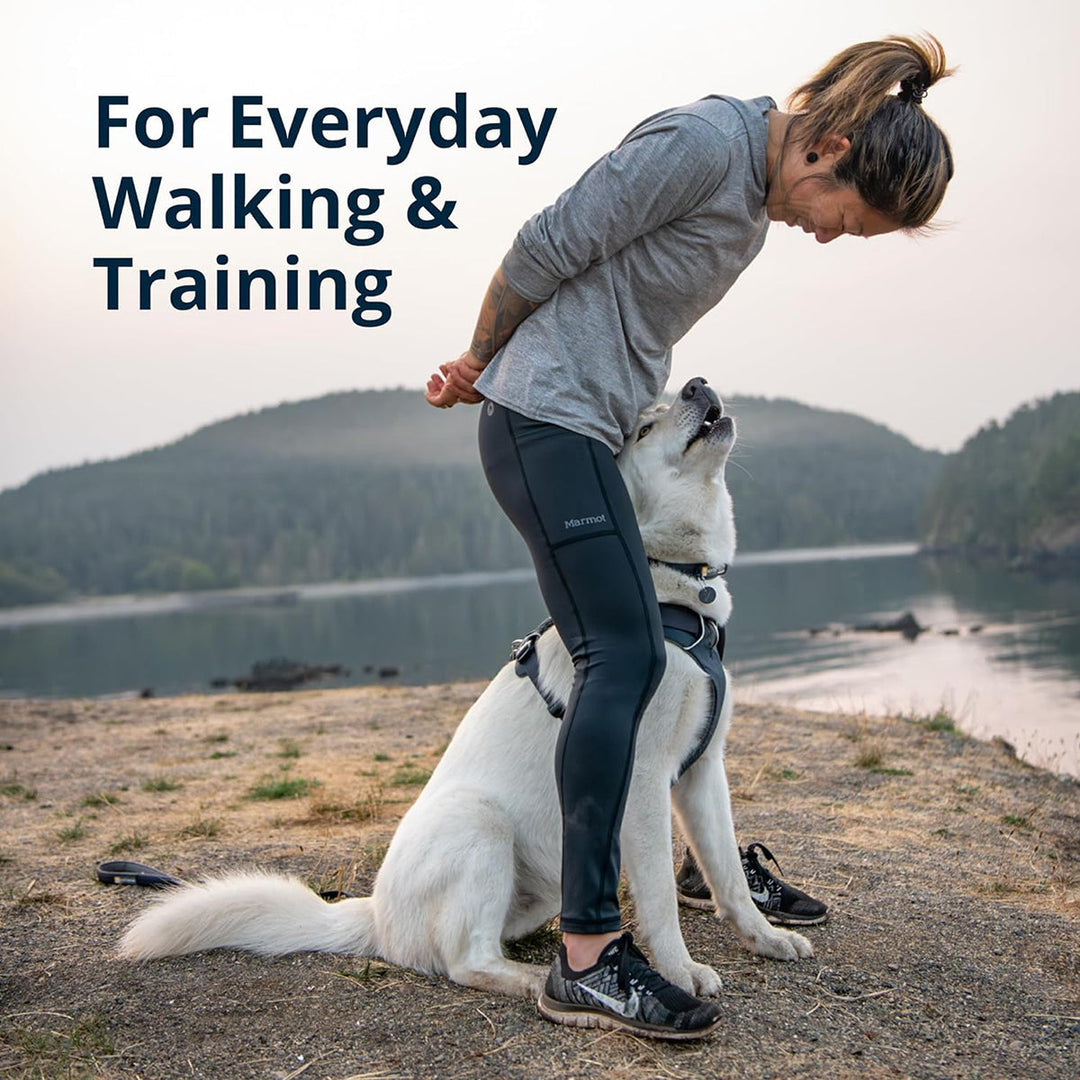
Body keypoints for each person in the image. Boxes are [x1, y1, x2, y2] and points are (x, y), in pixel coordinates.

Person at [424, 35, 954, 1040]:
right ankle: (587, 956)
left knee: (635, 659)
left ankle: (634, 919)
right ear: (828, 148)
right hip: (542, 417)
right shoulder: (703, 144)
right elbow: (549, 241)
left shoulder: (753, 204)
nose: (835, 238)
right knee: (620, 655)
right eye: (852, 219)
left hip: (581, 425)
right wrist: (478, 357)